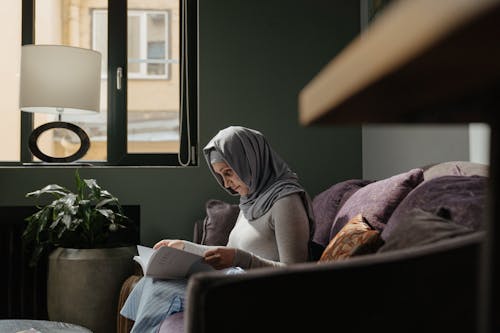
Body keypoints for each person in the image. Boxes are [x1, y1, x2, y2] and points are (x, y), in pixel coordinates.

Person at [120, 126, 315, 332]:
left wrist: (241, 259)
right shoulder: (251, 200)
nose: (226, 184)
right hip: (232, 283)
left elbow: (295, 274)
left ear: (249, 161)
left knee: (159, 289)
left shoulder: (286, 201)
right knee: (153, 282)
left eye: (228, 172)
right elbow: (226, 255)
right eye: (220, 176)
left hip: (261, 294)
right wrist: (184, 247)